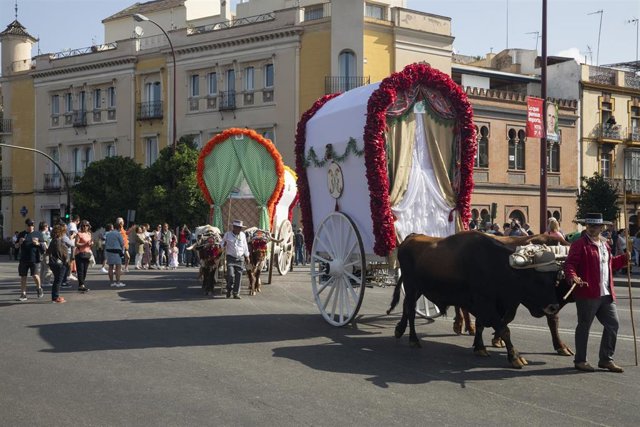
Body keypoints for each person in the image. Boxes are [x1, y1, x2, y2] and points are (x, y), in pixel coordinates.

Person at [564, 213, 628, 373]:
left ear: (602, 227)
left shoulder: (605, 245)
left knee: (613, 324)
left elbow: (610, 264)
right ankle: (580, 360)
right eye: (590, 226)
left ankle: (606, 359)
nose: (592, 229)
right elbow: (570, 264)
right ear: (586, 227)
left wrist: (625, 258)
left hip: (606, 293)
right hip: (587, 293)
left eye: (596, 226)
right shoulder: (579, 245)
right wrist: (573, 276)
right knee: (584, 326)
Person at [15, 218, 45, 301]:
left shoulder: (38, 234)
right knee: (23, 277)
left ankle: (39, 288)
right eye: (29, 225)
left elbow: (44, 246)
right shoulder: (22, 234)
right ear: (26, 225)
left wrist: (38, 243)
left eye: (32, 225)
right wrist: (19, 243)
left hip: (34, 259)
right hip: (23, 259)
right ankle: (23, 294)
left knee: (35, 275)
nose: (30, 227)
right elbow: (16, 246)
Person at [222, 219, 250, 299]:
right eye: (237, 227)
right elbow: (221, 244)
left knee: (239, 276)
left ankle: (236, 293)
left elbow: (245, 246)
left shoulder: (243, 235)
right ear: (233, 227)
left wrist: (247, 256)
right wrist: (224, 244)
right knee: (230, 275)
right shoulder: (227, 235)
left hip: (240, 258)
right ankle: (229, 289)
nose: (239, 229)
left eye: (240, 228)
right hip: (230, 257)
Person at [46, 223, 69, 303]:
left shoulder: (53, 240)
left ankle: (55, 296)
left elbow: (48, 251)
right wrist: (65, 260)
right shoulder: (58, 241)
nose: (64, 233)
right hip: (59, 264)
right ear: (60, 232)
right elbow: (60, 253)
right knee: (58, 280)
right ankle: (55, 297)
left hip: (53, 263)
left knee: (57, 280)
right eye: (64, 232)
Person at [74, 219, 93, 293]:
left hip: (87, 254)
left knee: (85, 270)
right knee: (80, 270)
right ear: (81, 226)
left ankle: (81, 284)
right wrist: (85, 244)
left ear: (88, 226)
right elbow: (76, 244)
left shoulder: (89, 234)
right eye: (83, 225)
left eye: (86, 225)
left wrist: (91, 243)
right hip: (80, 254)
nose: (85, 227)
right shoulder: (79, 234)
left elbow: (90, 243)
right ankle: (81, 285)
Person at [105, 223, 126, 288]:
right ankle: (118, 282)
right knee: (118, 267)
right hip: (116, 251)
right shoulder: (118, 234)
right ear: (119, 228)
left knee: (110, 267)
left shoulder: (108, 234)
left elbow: (106, 242)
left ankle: (111, 282)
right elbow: (122, 243)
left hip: (109, 251)